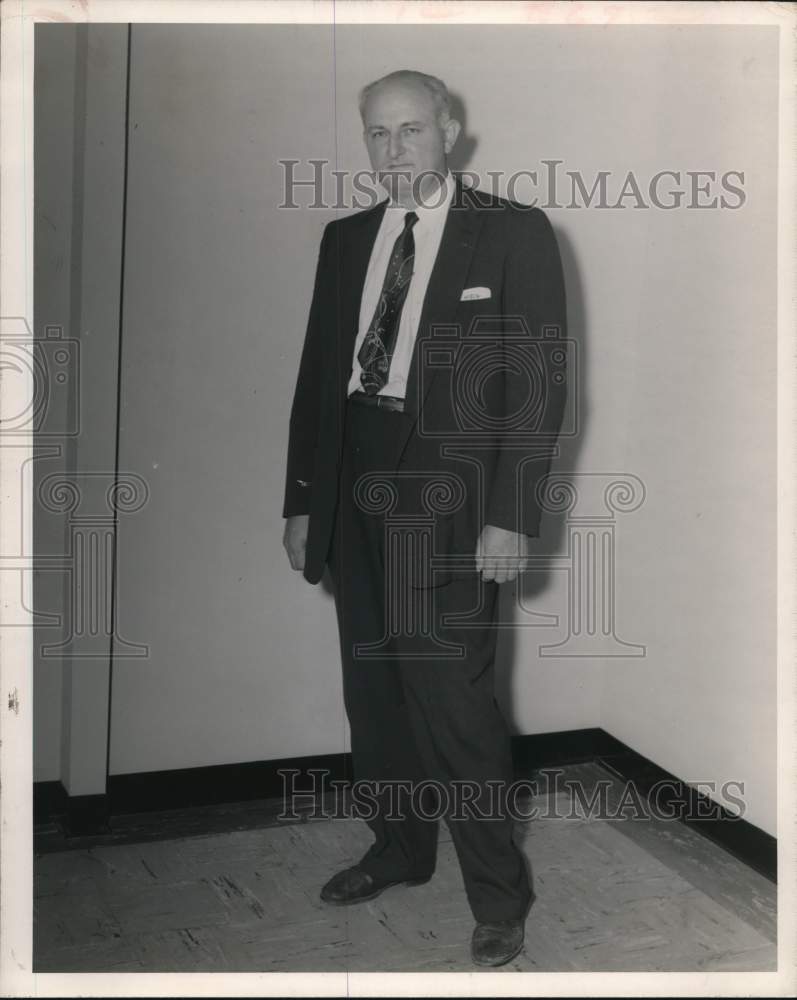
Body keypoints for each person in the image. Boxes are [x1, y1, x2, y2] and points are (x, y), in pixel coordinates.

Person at [282, 69, 567, 967]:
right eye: (378, 134)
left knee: (456, 704)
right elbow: (316, 383)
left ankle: (497, 896)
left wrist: (511, 514)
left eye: (411, 130)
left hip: (451, 498)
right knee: (375, 695)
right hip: (353, 483)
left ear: (450, 130)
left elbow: (537, 391)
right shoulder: (343, 240)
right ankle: (400, 851)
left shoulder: (513, 234)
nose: (394, 149)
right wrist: (302, 503)